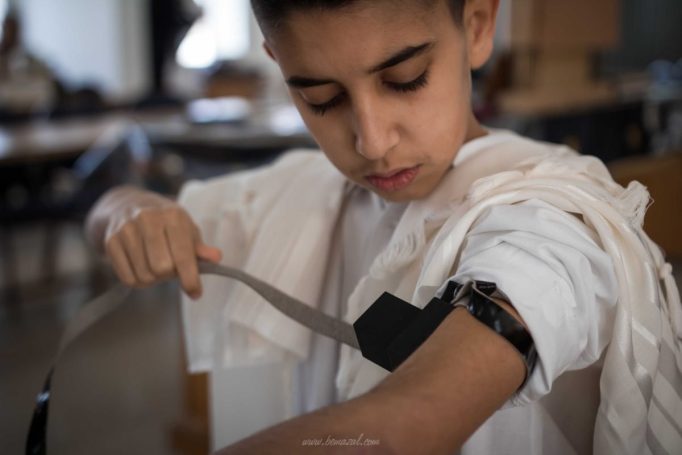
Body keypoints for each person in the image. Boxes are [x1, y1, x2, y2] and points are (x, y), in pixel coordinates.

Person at [86, 1, 682, 453]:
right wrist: (129, 211)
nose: (371, 141)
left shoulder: (554, 217)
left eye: (406, 79)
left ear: (477, 25)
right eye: (322, 98)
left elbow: (407, 423)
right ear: (278, 63)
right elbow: (109, 211)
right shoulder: (302, 193)